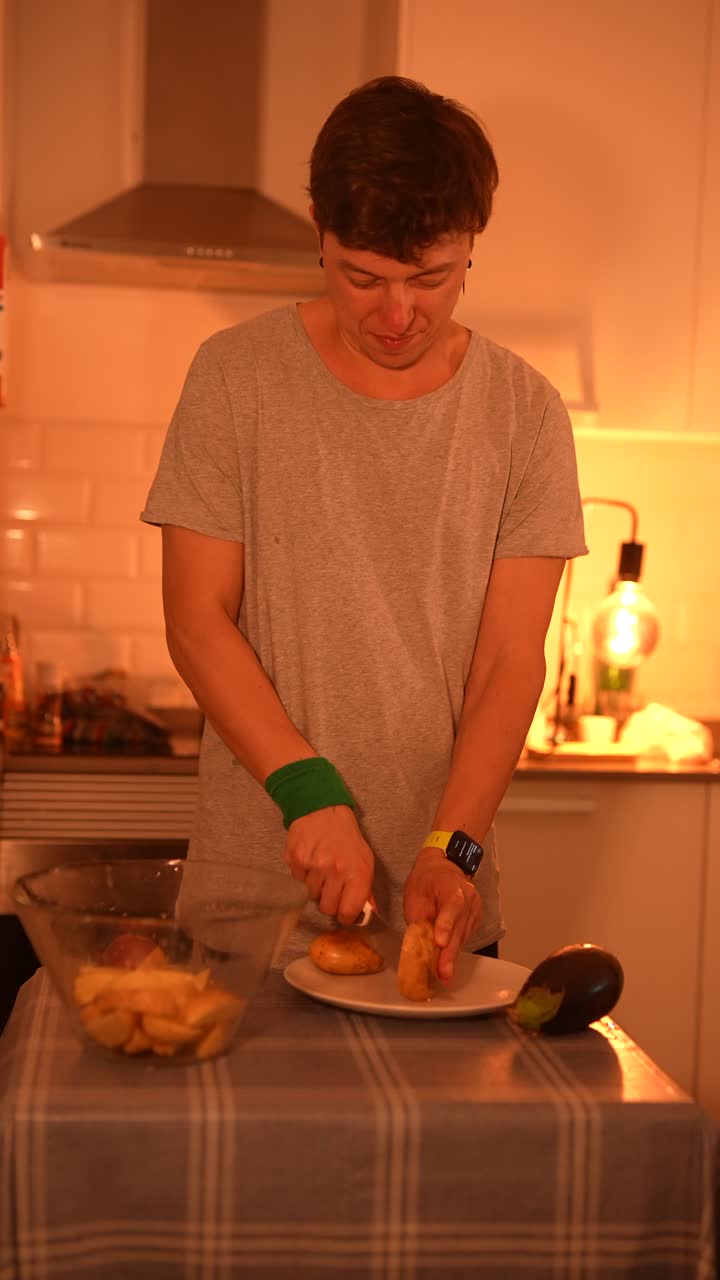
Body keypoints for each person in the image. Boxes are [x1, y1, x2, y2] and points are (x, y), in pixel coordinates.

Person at [141, 75, 587, 983]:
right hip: (250, 905)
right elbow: (196, 617)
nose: (396, 314)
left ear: (472, 245)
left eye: (432, 278)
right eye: (364, 277)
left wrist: (453, 849)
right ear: (319, 228)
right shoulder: (234, 378)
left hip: (444, 909)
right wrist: (308, 795)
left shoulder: (526, 413)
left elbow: (511, 661)